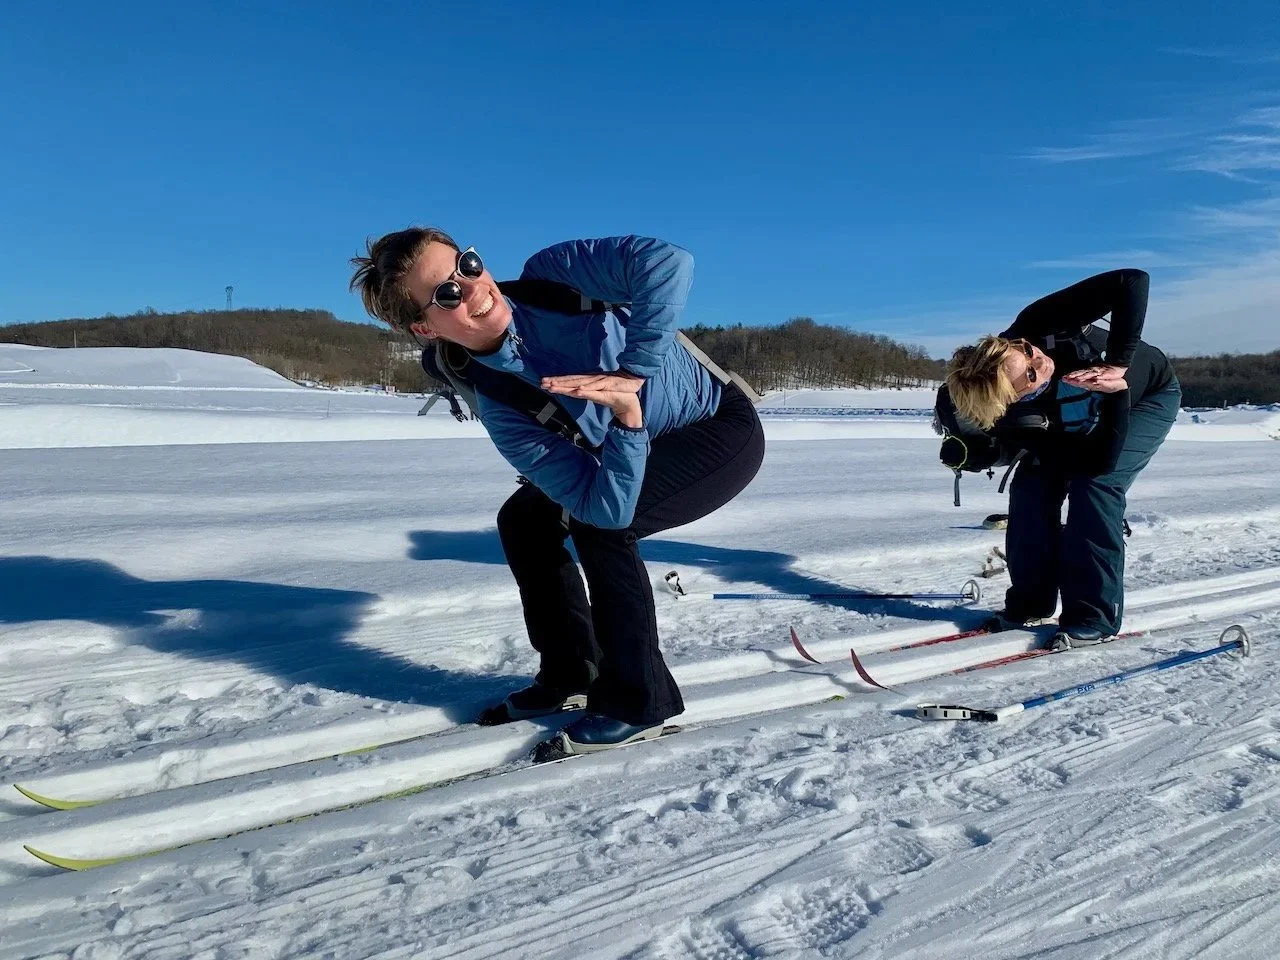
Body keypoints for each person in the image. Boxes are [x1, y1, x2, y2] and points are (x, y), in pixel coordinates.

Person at [350, 230, 765, 754]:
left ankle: (639, 703)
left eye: (469, 267)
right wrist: (628, 425)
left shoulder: (554, 277)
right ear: (424, 327)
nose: (474, 290)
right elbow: (604, 504)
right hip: (633, 436)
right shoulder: (501, 404)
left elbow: (668, 263)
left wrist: (634, 375)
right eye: (446, 296)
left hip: (715, 426)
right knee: (526, 520)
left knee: (602, 533)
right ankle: (573, 671)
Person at [937, 269, 1179, 650]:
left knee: (1096, 486)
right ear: (1010, 400)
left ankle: (1093, 616)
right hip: (1072, 419)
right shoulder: (1013, 418)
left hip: (1146, 396)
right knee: (1032, 487)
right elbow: (1079, 453)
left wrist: (1117, 370)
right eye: (1030, 376)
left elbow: (1133, 281)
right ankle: (1030, 602)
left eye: (1028, 353)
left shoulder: (1037, 323)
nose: (1041, 362)